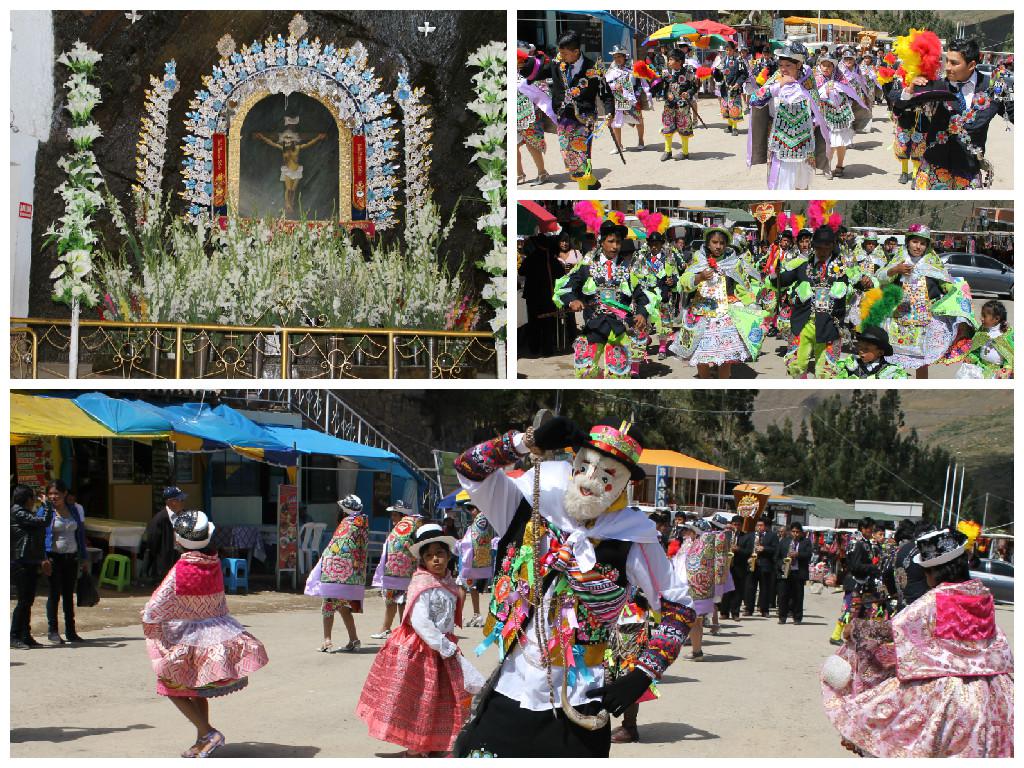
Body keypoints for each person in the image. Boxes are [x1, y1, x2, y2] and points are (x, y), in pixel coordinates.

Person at [452, 416, 696, 757]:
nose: (592, 480)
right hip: (511, 690)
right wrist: (526, 441)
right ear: (573, 463)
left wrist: (643, 673)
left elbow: (680, 607)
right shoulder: (527, 503)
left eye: (608, 475)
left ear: (625, 483)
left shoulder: (632, 537)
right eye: (585, 466)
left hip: (579, 705)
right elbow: (467, 467)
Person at [821, 526, 1013, 757]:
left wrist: (857, 628)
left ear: (936, 572)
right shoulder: (982, 595)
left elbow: (894, 629)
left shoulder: (934, 600)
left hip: (948, 694)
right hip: (991, 693)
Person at [142, 510, 269, 757]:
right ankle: (202, 737)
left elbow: (156, 606)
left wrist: (152, 620)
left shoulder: (181, 569)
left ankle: (208, 732)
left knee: (170, 686)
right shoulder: (214, 563)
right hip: (216, 634)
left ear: (178, 540)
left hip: (188, 638)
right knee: (197, 688)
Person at [357, 523, 486, 757]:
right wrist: (444, 646)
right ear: (422, 561)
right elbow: (420, 621)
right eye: (429, 556)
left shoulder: (448, 583)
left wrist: (447, 645)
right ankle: (417, 747)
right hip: (423, 649)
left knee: (445, 698)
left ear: (448, 556)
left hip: (443, 648)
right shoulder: (422, 584)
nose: (436, 559)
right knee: (419, 700)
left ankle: (438, 743)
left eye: (440, 554)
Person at [894, 37, 1002, 189]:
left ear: (971, 65)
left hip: (968, 171)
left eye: (954, 63)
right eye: (947, 61)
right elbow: (899, 108)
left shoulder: (992, 88)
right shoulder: (936, 85)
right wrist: (909, 91)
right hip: (934, 168)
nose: (947, 67)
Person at [553, 218, 653, 379]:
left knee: (617, 376)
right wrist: (573, 300)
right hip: (594, 327)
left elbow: (644, 295)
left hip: (620, 329)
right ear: (601, 242)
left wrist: (642, 313)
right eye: (611, 241)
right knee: (583, 373)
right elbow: (566, 287)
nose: (615, 246)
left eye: (618, 242)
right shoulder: (587, 266)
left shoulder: (629, 268)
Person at [878, 224, 976, 378]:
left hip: (925, 317)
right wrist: (896, 270)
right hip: (899, 316)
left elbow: (945, 281)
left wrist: (956, 289)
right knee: (894, 354)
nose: (918, 246)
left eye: (923, 243)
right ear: (908, 241)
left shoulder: (932, 260)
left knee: (922, 358)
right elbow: (880, 277)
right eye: (915, 242)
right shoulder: (899, 258)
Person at [671, 227, 766, 379]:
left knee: (725, 357)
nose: (718, 246)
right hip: (700, 314)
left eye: (722, 243)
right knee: (700, 355)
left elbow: (742, 286)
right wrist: (699, 277)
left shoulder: (733, 262)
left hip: (724, 315)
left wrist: (750, 304)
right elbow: (683, 281)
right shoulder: (698, 259)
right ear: (708, 244)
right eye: (714, 242)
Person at [749, 42, 829, 190]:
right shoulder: (775, 82)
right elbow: (754, 100)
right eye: (781, 65)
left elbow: (818, 111)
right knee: (780, 182)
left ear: (798, 65)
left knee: (801, 183)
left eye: (788, 65)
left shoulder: (808, 85)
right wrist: (778, 86)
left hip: (803, 143)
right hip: (779, 143)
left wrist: (812, 122)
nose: (783, 69)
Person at [779, 225, 850, 377]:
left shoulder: (843, 269)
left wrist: (865, 283)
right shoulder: (802, 265)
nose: (823, 252)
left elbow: (859, 283)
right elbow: (782, 280)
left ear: (833, 246)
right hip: (803, 322)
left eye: (827, 247)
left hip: (830, 325)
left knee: (826, 373)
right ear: (813, 246)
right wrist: (775, 275)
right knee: (796, 367)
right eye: (819, 247)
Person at [548, 31, 614, 190]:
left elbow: (605, 93)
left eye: (564, 53)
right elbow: (538, 70)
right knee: (568, 156)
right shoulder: (558, 65)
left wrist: (610, 112)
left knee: (580, 158)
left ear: (576, 51)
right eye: (560, 52)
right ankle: (591, 182)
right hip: (563, 118)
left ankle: (584, 195)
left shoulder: (593, 68)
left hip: (584, 119)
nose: (560, 55)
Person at [304, 495, 369, 653]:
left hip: (334, 573)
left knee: (328, 606)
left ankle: (327, 641)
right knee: (343, 607)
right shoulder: (362, 524)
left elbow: (332, 548)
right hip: (351, 574)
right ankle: (354, 639)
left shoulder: (345, 524)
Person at [43, 480, 89, 644]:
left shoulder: (73, 510)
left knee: (69, 595)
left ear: (64, 494)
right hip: (53, 558)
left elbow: (80, 534)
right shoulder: (45, 511)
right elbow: (40, 536)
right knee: (54, 594)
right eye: (51, 494)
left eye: (57, 493)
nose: (53, 497)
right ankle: (53, 631)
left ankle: (71, 631)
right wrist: (44, 558)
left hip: (71, 557)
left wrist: (84, 558)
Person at [370, 501, 423, 640]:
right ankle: (388, 628)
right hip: (394, 571)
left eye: (394, 514)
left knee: (403, 601)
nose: (392, 518)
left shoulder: (412, 527)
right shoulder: (402, 528)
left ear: (403, 515)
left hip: (404, 571)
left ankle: (403, 628)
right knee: (392, 601)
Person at [11, 485, 55, 649]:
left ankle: (25, 634)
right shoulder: (18, 512)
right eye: (33, 498)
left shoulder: (23, 513)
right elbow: (44, 521)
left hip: (29, 561)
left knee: (28, 600)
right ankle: (14, 635)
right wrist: (47, 505)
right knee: (23, 601)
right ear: (28, 499)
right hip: (20, 562)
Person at [815, 48, 866, 178]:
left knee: (841, 142)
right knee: (828, 142)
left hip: (840, 113)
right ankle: (827, 166)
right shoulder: (815, 79)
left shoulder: (841, 78)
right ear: (820, 65)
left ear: (833, 66)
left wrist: (838, 91)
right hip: (824, 113)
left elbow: (851, 93)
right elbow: (811, 96)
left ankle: (839, 165)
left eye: (829, 65)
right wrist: (823, 93)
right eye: (823, 65)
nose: (826, 68)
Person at [830, 517, 878, 645]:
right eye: (869, 529)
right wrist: (872, 568)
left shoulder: (865, 542)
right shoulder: (857, 543)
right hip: (855, 582)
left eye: (873, 529)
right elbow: (855, 566)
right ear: (862, 528)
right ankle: (835, 635)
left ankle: (855, 636)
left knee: (862, 611)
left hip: (864, 582)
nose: (871, 531)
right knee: (849, 610)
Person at [817, 325, 909, 379]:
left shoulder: (891, 373)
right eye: (859, 347)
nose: (861, 351)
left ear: (880, 353)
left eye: (866, 349)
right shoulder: (851, 366)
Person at [516, 47, 552, 185]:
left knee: (532, 145)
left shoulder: (531, 71)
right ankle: (519, 174)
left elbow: (544, 91)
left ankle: (542, 172)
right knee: (512, 146)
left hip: (530, 113)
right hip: (513, 115)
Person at [456, 502, 495, 627]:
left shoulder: (481, 520)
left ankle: (458, 616)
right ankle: (476, 614)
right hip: (477, 560)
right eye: (469, 508)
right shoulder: (483, 520)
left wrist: (459, 544)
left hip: (471, 560)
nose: (470, 511)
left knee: (461, 585)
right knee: (472, 588)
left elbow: (472, 541)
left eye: (472, 508)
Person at [958, 299, 1013, 378]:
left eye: (984, 316)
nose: (981, 318)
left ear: (996, 319)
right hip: (980, 367)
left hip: (997, 373)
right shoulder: (982, 330)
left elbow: (1010, 356)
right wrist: (972, 358)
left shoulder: (1006, 335)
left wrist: (1006, 369)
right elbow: (976, 348)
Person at [143, 486, 188, 584]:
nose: (183, 501)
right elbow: (152, 543)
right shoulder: (159, 519)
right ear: (171, 502)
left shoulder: (186, 515)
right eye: (181, 499)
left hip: (183, 559)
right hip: (166, 562)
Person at [660, 50, 698, 161]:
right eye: (669, 59)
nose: (669, 62)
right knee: (667, 126)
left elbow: (694, 87)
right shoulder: (665, 73)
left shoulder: (688, 72)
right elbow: (663, 88)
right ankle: (668, 151)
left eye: (671, 59)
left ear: (679, 61)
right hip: (669, 105)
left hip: (683, 105)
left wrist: (688, 93)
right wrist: (667, 94)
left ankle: (685, 153)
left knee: (684, 127)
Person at [605, 46, 644, 154]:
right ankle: (619, 145)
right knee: (615, 122)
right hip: (617, 99)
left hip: (633, 98)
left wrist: (636, 95)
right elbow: (607, 84)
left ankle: (641, 140)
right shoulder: (612, 70)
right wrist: (614, 86)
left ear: (624, 57)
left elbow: (640, 84)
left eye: (619, 56)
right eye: (615, 57)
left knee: (638, 119)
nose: (617, 59)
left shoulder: (633, 69)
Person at [775, 522, 812, 624]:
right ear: (790, 532)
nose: (795, 534)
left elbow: (809, 554)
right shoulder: (784, 541)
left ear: (801, 532)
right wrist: (781, 565)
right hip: (785, 571)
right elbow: (777, 557)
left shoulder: (806, 541)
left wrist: (798, 554)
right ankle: (782, 617)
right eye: (793, 531)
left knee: (798, 596)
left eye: (797, 532)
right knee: (783, 595)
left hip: (798, 572)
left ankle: (797, 618)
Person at [714, 40, 748, 135]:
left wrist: (738, 83)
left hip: (734, 87)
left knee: (734, 107)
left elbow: (744, 74)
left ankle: (735, 128)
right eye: (726, 50)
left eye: (729, 50)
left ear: (734, 50)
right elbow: (718, 75)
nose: (728, 52)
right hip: (725, 88)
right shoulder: (723, 61)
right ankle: (729, 125)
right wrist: (716, 72)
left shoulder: (739, 60)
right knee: (726, 107)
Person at [743, 518, 776, 617]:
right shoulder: (750, 536)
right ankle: (749, 609)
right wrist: (748, 557)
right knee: (750, 588)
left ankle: (764, 609)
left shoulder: (772, 536)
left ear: (765, 526)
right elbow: (745, 549)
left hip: (765, 565)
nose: (759, 527)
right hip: (752, 564)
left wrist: (764, 548)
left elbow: (776, 549)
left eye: (761, 525)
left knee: (765, 588)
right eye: (757, 525)